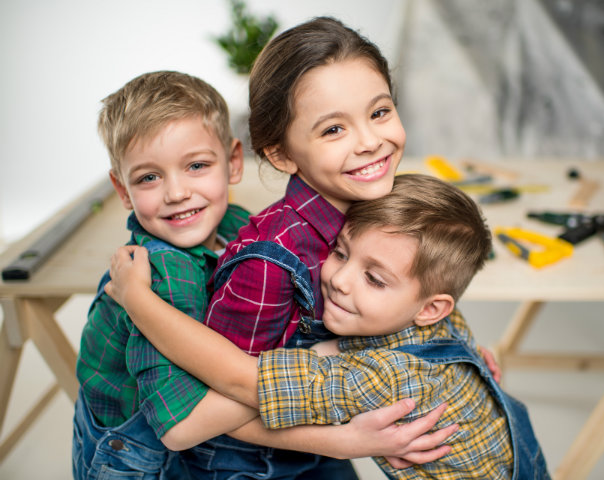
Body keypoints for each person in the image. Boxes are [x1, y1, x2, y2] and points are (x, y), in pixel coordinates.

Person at [73, 70, 454, 480]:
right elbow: (181, 428)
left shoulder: (238, 225)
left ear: (233, 162)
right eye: (149, 177)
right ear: (122, 189)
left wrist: (451, 348)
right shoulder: (161, 276)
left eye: (197, 165)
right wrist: (342, 429)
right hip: (135, 456)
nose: (177, 192)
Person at [106, 173, 551, 479]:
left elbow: (234, 382)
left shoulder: (386, 376)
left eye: (374, 279)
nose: (338, 279)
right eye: (340, 251)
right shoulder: (441, 320)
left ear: (430, 308)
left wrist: (137, 298)